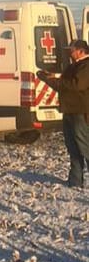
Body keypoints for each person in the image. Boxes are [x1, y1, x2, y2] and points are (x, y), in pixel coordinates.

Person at [37, 39, 89, 187]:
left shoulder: (86, 66)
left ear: (80, 51)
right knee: (72, 148)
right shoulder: (73, 66)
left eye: (71, 50)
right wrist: (49, 78)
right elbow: (64, 85)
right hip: (69, 112)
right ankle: (75, 181)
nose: (69, 53)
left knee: (85, 147)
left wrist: (54, 81)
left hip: (81, 113)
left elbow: (76, 85)